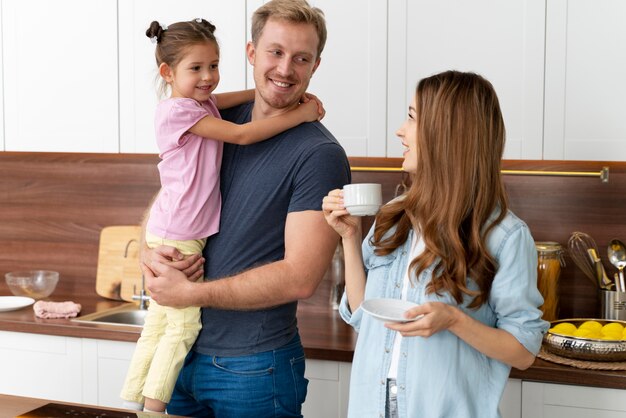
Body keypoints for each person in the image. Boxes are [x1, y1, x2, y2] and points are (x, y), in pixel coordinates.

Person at [139, 1, 351, 417]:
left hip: (252, 368)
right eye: (275, 52)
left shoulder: (319, 154)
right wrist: (147, 250)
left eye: (301, 58)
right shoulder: (215, 116)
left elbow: (300, 277)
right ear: (252, 53)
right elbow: (169, 194)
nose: (286, 69)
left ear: (315, 66)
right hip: (180, 356)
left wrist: (191, 293)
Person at [322, 70, 549, 418]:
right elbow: (363, 314)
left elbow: (523, 351)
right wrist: (350, 238)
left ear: (448, 134)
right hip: (371, 406)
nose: (400, 130)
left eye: (412, 118)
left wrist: (454, 321)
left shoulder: (505, 236)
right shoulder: (392, 216)